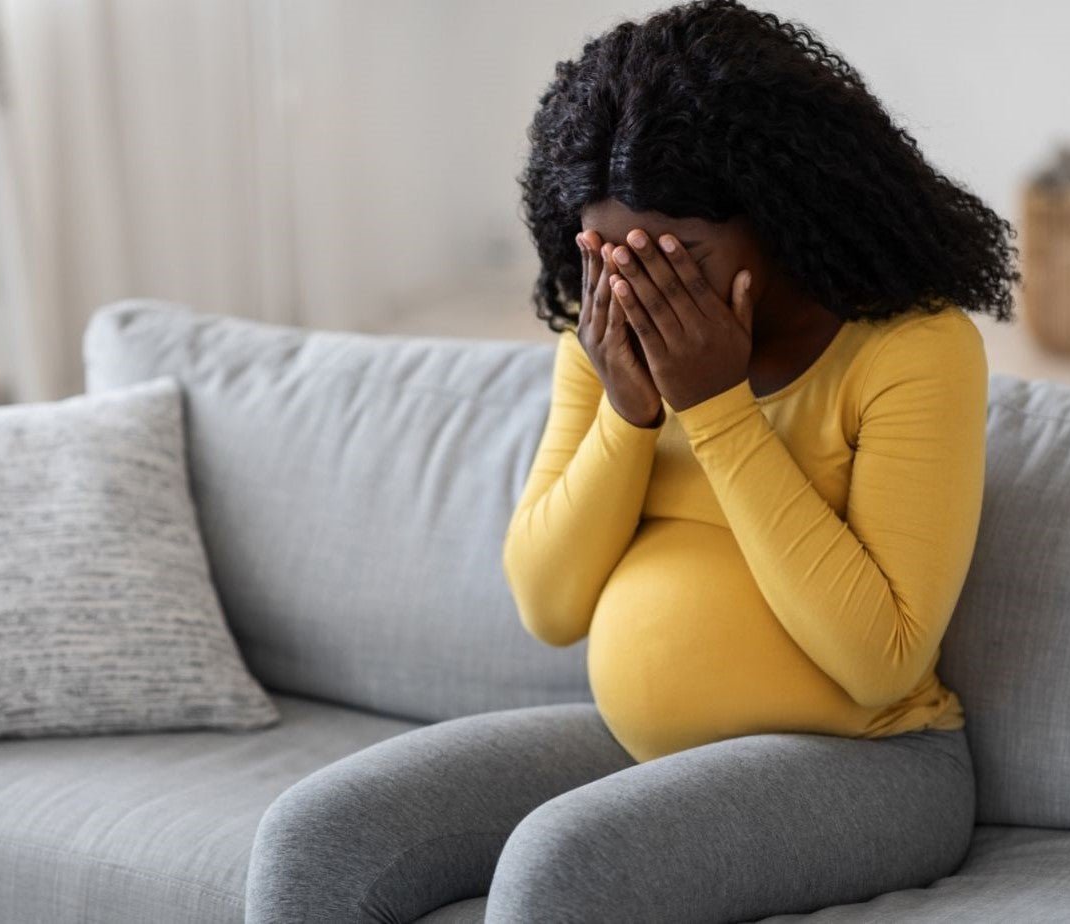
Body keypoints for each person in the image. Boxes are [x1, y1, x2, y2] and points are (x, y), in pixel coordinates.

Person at [245, 1, 1021, 920]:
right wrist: (630, 413)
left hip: (873, 764)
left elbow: (882, 659)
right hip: (641, 749)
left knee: (563, 868)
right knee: (320, 839)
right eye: (607, 254)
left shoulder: (911, 348)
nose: (635, 286)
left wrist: (717, 410)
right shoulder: (603, 337)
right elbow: (549, 603)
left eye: (679, 254)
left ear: (784, 218)